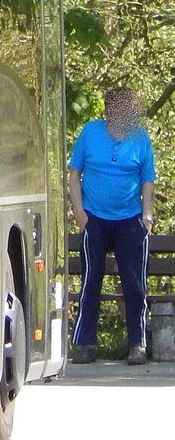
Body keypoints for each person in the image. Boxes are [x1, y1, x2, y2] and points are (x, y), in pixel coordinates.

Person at [68, 86, 157, 365]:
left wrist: (147, 216)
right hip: (94, 218)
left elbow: (148, 181)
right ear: (110, 110)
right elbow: (74, 173)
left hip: (130, 220)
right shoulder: (90, 133)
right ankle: (85, 345)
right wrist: (79, 212)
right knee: (90, 281)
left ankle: (137, 345)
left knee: (134, 285)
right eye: (121, 108)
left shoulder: (140, 139)